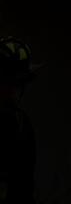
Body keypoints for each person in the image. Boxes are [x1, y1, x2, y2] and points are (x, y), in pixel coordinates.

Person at [0, 37, 37, 204]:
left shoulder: (21, 125)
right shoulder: (18, 124)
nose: (13, 92)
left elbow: (23, 188)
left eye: (18, 84)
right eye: (9, 83)